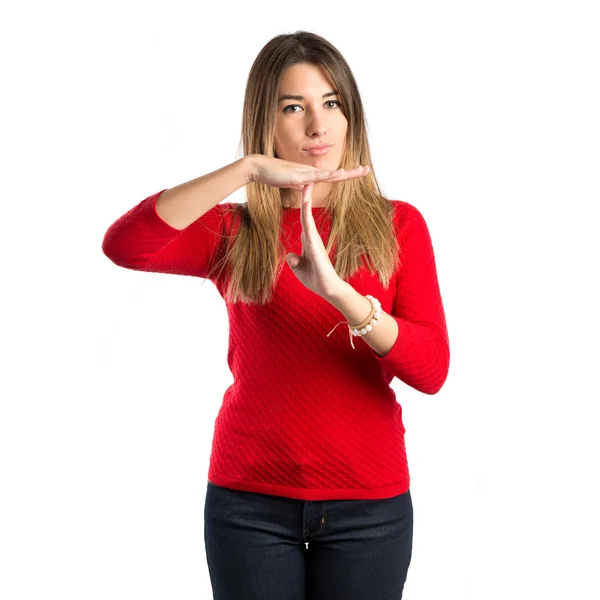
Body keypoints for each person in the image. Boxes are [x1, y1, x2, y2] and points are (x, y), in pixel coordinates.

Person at [102, 30, 450, 600]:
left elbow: (431, 369)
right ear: (267, 124)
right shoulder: (236, 233)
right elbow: (125, 245)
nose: (318, 125)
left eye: (331, 104)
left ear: (350, 117)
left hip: (369, 506)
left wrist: (339, 293)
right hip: (249, 505)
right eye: (295, 107)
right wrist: (246, 171)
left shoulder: (398, 225)